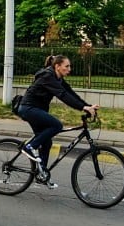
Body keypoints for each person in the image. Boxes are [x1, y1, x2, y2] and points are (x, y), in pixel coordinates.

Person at [17, 54, 99, 189]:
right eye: (66, 66)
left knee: (47, 141)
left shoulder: (58, 78)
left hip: (38, 110)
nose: (69, 69)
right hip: (28, 108)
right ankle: (29, 147)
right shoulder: (47, 76)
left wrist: (87, 107)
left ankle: (41, 174)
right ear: (57, 66)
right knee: (56, 125)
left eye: (69, 66)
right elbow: (63, 96)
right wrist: (83, 107)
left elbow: (71, 93)